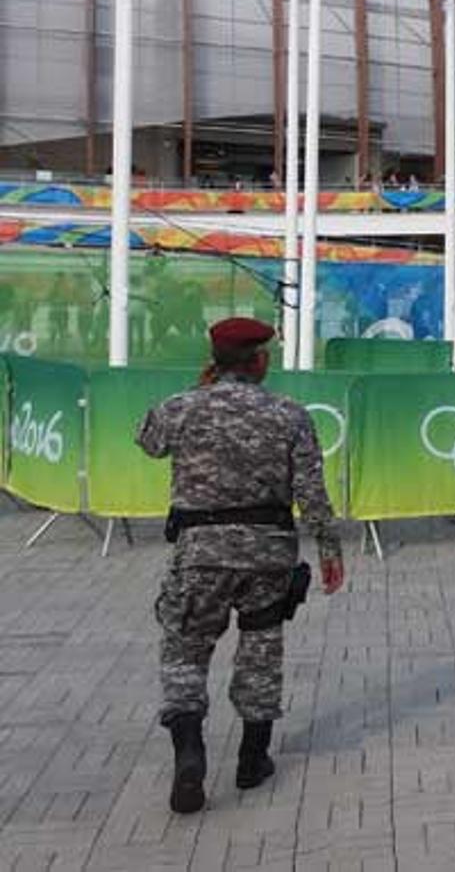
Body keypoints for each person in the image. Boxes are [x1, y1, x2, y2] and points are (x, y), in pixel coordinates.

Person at [137, 317, 346, 815]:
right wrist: (329, 549)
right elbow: (311, 492)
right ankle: (253, 760)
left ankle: (189, 751)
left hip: (200, 553)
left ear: (216, 359)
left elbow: (147, 441)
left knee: (185, 650)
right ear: (259, 361)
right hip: (267, 553)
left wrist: (200, 392)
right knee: (261, 650)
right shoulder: (290, 414)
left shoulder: (182, 407)